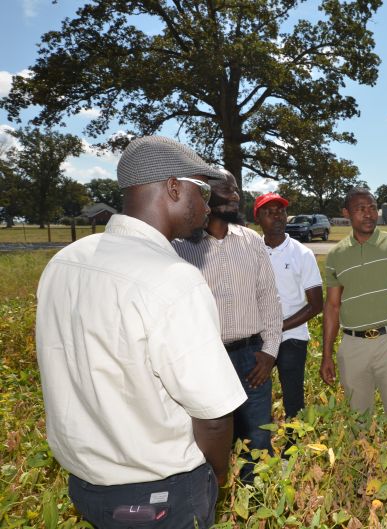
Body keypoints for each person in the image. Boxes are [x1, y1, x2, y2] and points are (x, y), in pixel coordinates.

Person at [36, 136, 247, 528]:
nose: (208, 205)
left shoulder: (65, 262)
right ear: (173, 187)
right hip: (160, 495)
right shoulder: (173, 280)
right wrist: (216, 477)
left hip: (87, 487)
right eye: (201, 192)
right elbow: (214, 416)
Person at [172, 171, 283, 483]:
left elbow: (269, 300)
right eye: (225, 189)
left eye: (236, 189)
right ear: (204, 194)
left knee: (258, 439)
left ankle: (258, 503)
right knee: (207, 440)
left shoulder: (252, 242)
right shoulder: (180, 247)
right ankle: (214, 502)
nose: (234, 195)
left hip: (252, 359)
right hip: (205, 359)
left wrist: (270, 352)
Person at [321, 188, 387, 420]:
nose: (369, 214)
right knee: (357, 419)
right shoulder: (336, 256)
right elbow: (332, 307)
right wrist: (326, 355)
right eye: (360, 209)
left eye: (372, 207)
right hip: (353, 346)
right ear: (346, 213)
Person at [254, 192, 323, 454]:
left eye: (281, 211)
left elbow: (316, 305)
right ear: (258, 217)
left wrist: (277, 328)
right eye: (269, 212)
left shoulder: (301, 254)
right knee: (256, 394)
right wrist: (263, 332)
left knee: (292, 396)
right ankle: (259, 449)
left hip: (292, 335)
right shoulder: (252, 251)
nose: (277, 217)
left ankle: (291, 450)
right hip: (257, 337)